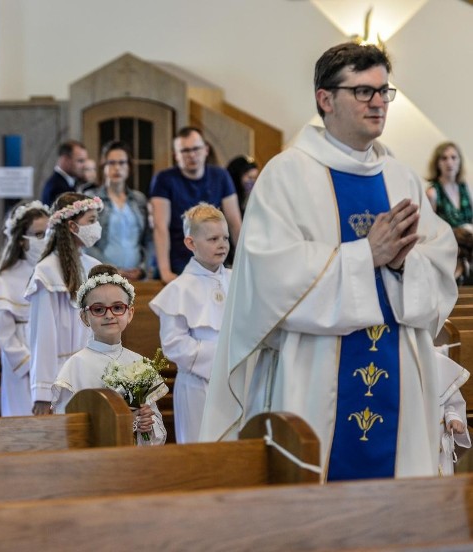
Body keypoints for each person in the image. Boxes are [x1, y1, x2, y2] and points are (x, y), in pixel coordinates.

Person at [200, 43, 457, 481]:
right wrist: (365, 255)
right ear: (325, 98)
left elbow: (438, 256)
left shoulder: (401, 177)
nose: (378, 102)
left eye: (383, 91)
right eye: (363, 91)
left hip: (397, 363)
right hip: (314, 370)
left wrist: (401, 265)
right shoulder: (285, 175)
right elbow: (268, 273)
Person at [52, 264, 166, 445]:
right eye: (98, 309)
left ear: (130, 313)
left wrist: (147, 424)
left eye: (117, 307)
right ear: (84, 317)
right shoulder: (75, 367)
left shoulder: (139, 363)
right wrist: (126, 423)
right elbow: (66, 429)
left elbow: (156, 426)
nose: (109, 315)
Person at [150, 203, 231, 443]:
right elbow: (174, 344)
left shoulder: (238, 279)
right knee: (200, 444)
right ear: (190, 243)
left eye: (225, 237)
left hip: (235, 379)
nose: (222, 244)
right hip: (198, 383)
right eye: (213, 238)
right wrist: (220, 358)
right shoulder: (178, 290)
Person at [26, 192, 102, 415]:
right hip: (61, 375)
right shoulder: (47, 272)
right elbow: (43, 336)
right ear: (72, 226)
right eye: (91, 221)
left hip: (93, 369)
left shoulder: (93, 266)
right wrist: (43, 393)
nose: (97, 227)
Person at [0, 200, 50, 416]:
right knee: (24, 411)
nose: (44, 240)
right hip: (23, 359)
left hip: (51, 353)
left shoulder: (55, 271)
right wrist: (28, 363)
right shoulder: (6, 280)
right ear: (21, 241)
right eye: (38, 235)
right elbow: (4, 334)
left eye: (48, 233)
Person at [150, 127, 242, 282]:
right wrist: (165, 272)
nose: (192, 155)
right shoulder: (164, 179)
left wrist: (242, 264)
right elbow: (160, 227)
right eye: (185, 151)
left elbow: (234, 223)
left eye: (196, 149)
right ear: (176, 155)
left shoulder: (221, 176)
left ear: (206, 150)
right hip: (176, 263)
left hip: (214, 262)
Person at [85, 141, 150, 281]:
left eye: (122, 163)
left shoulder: (139, 199)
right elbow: (85, 241)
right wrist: (110, 269)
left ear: (129, 167)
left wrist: (143, 268)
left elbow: (148, 239)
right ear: (103, 166)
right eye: (111, 163)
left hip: (136, 275)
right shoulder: (92, 199)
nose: (117, 168)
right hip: (102, 275)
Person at [426, 142, 471, 228]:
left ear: (460, 161)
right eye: (444, 158)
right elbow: (429, 230)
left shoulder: (466, 188)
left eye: (453, 158)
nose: (449, 162)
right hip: (447, 241)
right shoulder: (432, 193)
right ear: (437, 163)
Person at [40, 140, 89, 206]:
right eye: (80, 161)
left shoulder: (72, 182)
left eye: (85, 161)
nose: (85, 166)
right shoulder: (57, 187)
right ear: (65, 159)